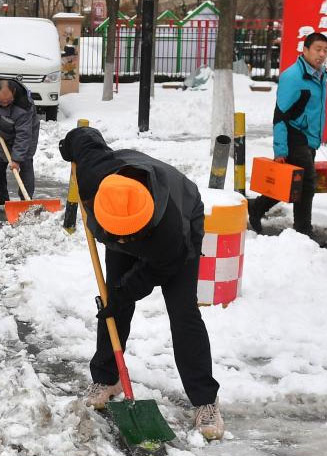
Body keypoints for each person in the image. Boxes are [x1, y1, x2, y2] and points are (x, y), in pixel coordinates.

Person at [59, 126, 224, 441]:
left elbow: (155, 270)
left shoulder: (170, 233)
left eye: (128, 234)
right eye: (117, 234)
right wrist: (69, 145)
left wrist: (125, 291)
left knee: (183, 313)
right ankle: (107, 378)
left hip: (180, 222)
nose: (123, 239)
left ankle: (205, 400)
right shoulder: (96, 178)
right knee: (113, 305)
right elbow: (86, 138)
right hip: (124, 206)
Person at [249, 32, 327, 246]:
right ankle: (303, 232)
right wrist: (280, 150)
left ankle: (255, 207)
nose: (322, 54)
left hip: (308, 138)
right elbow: (280, 115)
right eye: (317, 49)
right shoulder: (293, 76)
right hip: (294, 135)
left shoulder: (320, 75)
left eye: (325, 50)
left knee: (292, 184)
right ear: (305, 50)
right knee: (307, 184)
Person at [0, 79, 40, 207]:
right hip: (2, 129)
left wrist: (17, 159)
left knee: (25, 163)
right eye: (2, 102)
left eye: (9, 101)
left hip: (26, 132)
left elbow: (23, 135)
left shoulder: (24, 106)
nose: (5, 104)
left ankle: (26, 200)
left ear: (15, 93)